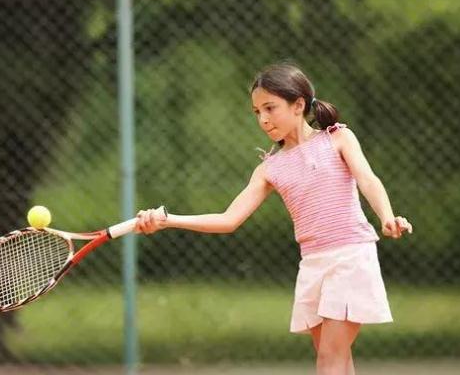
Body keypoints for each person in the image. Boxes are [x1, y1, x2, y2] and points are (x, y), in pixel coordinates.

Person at [134, 63, 413, 375]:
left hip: (351, 256)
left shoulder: (338, 138)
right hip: (313, 264)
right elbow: (229, 219)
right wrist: (169, 219)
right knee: (336, 359)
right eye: (257, 112)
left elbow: (367, 179)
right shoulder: (269, 169)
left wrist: (386, 216)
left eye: (270, 107)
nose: (263, 119)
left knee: (329, 361)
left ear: (298, 105)